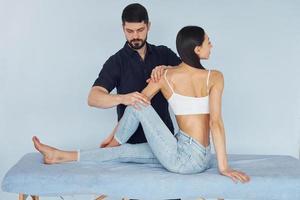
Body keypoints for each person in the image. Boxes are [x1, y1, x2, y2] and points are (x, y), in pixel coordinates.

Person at [33, 25, 250, 183]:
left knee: (138, 100)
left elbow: (138, 102)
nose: (211, 45)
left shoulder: (166, 76)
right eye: (207, 41)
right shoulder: (215, 77)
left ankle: (113, 141)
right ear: (197, 50)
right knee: (125, 151)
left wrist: (113, 135)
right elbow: (216, 124)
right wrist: (222, 166)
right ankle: (61, 156)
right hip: (190, 153)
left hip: (184, 159)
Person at [88, 3, 181, 147]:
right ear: (123, 28)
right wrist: (124, 98)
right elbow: (93, 98)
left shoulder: (164, 53)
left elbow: (190, 73)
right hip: (130, 142)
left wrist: (167, 69)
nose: (135, 36)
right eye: (129, 31)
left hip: (164, 140)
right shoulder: (116, 62)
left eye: (140, 30)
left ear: (148, 26)